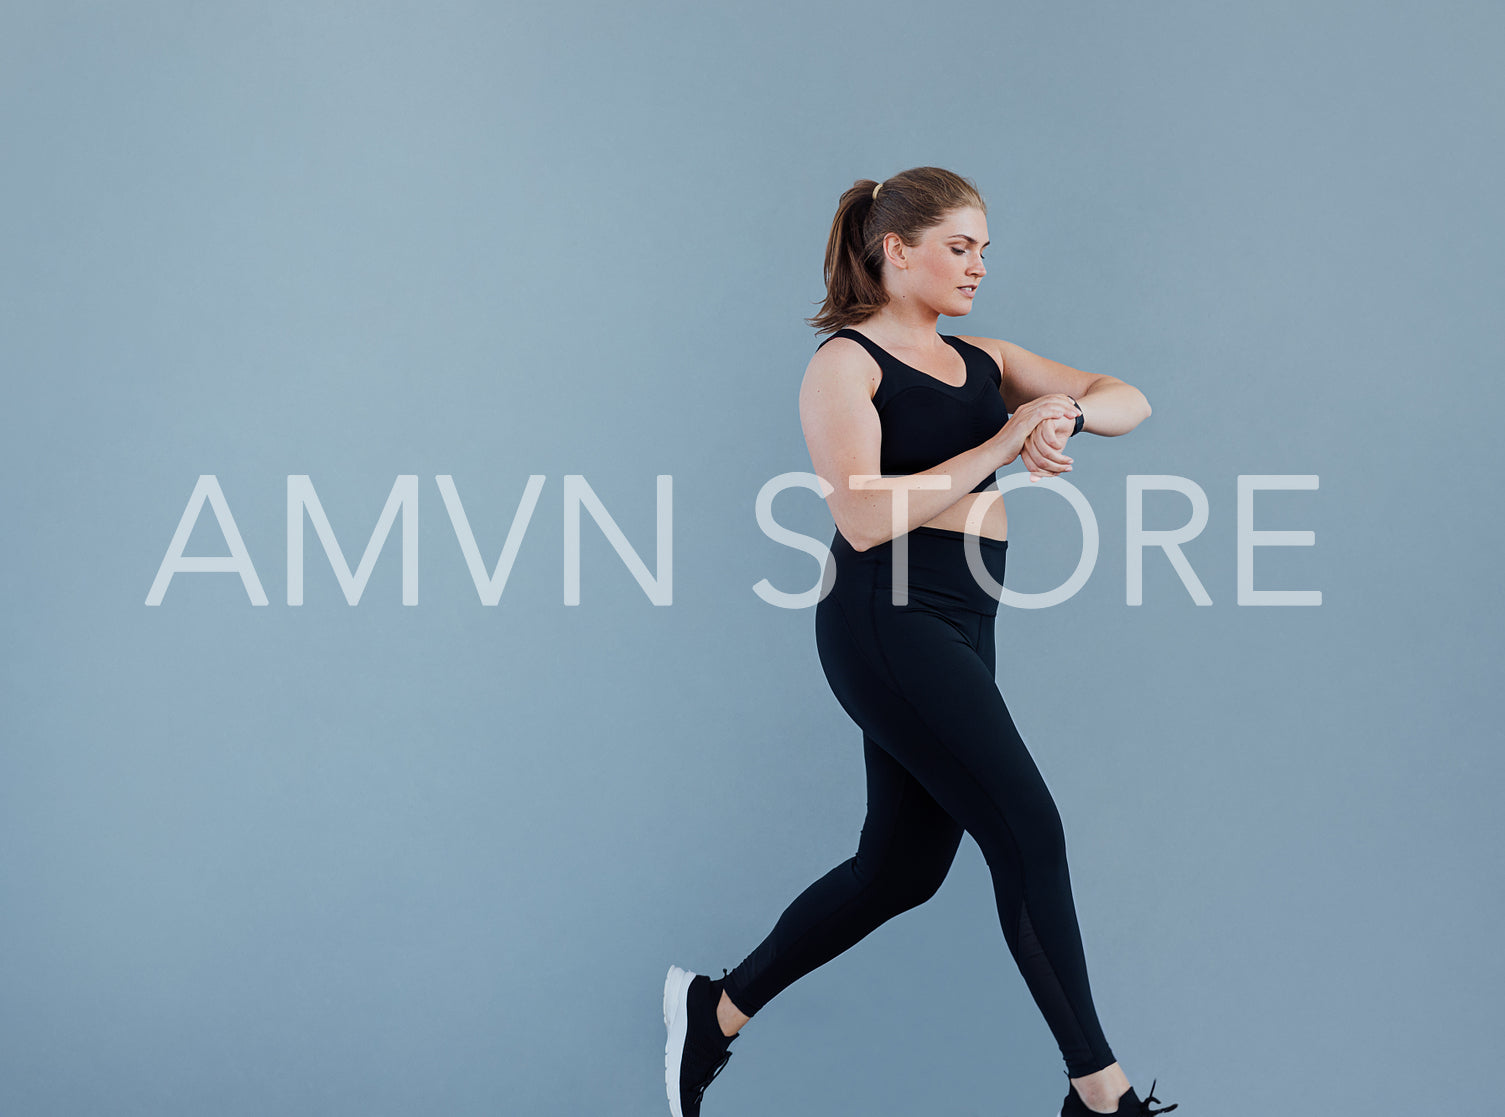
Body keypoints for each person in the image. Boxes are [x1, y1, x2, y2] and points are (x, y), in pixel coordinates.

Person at [663, 167, 1175, 1117]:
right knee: (1028, 825)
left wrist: (1065, 413)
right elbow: (860, 516)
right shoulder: (845, 364)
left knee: (900, 869)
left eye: (984, 249)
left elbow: (1127, 397)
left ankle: (716, 1009)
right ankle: (1099, 1095)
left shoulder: (984, 360)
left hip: (964, 617)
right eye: (958, 246)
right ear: (895, 250)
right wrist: (1000, 444)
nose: (977, 265)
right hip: (882, 616)